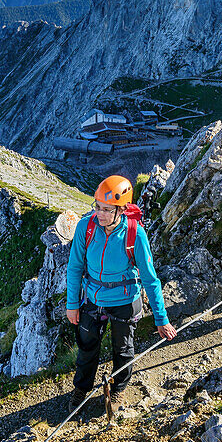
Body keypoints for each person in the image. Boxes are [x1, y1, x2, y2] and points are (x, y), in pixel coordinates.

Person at [66, 175, 177, 414]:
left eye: (107, 209)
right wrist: (72, 304)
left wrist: (161, 318)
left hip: (125, 300)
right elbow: (74, 266)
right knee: (87, 346)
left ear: (122, 209)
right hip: (93, 299)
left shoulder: (135, 234)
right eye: (97, 207)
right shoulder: (86, 227)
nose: (100, 214)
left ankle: (119, 389)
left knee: (123, 349)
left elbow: (150, 278)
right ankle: (82, 389)